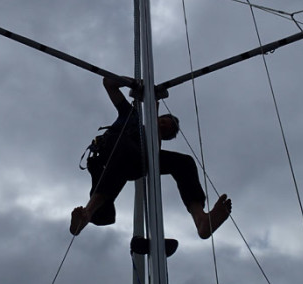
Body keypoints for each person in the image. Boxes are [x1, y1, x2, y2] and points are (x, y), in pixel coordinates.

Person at [70, 76, 232, 239]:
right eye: (162, 122)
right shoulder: (131, 116)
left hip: (137, 163)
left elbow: (153, 151)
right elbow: (109, 83)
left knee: (184, 162)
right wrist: (136, 83)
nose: (161, 126)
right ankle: (87, 213)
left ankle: (201, 219)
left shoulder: (153, 146)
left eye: (165, 130)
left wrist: (155, 108)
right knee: (123, 154)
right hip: (111, 154)